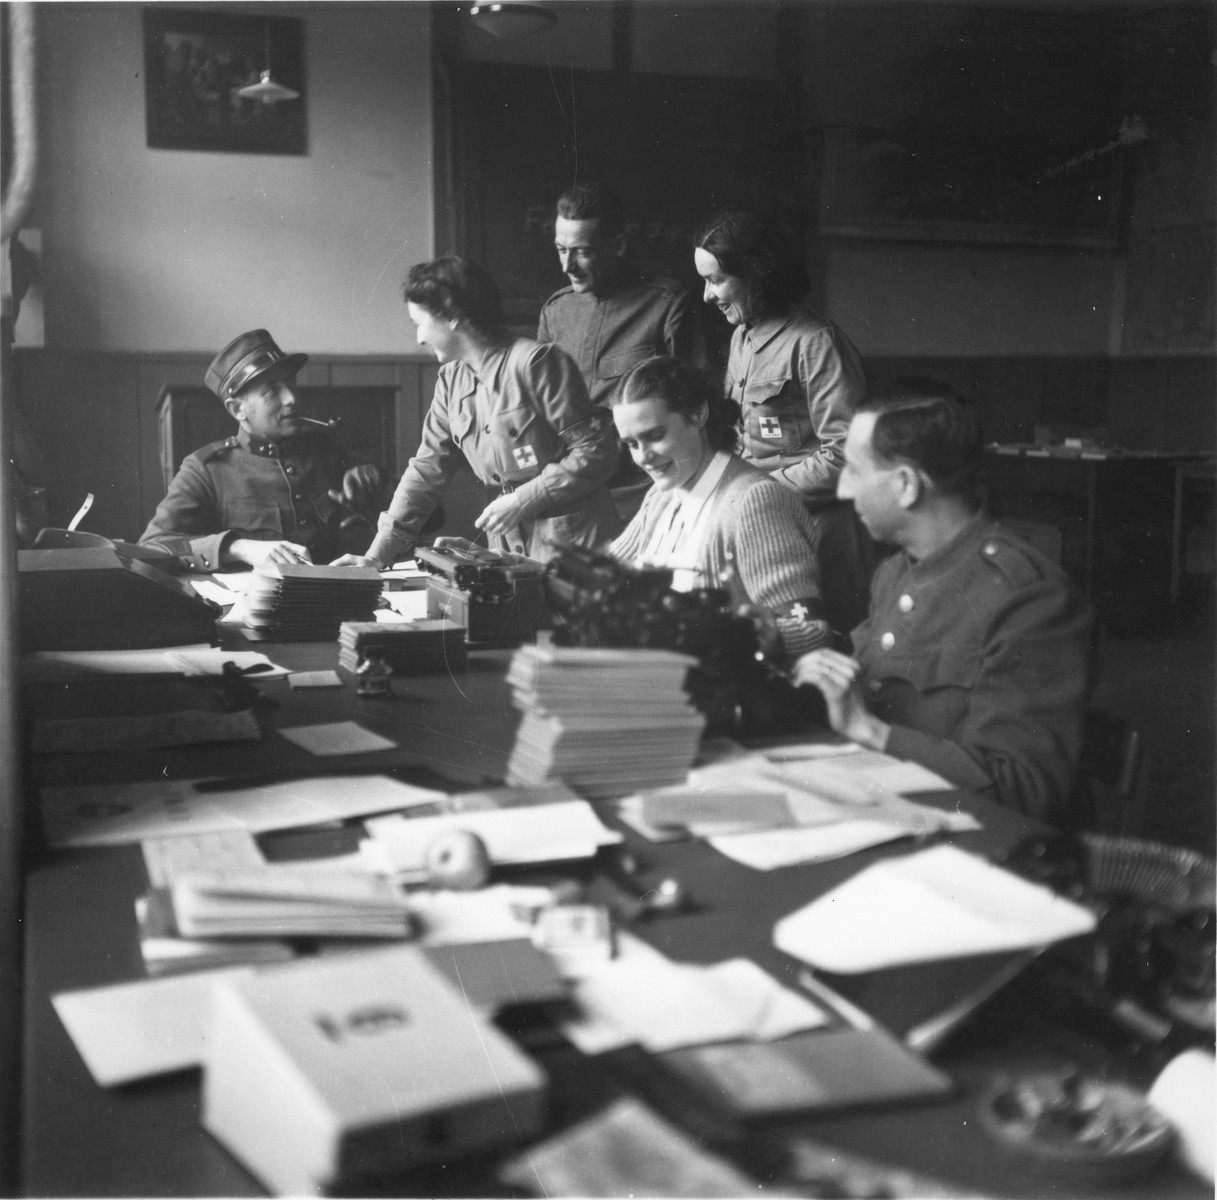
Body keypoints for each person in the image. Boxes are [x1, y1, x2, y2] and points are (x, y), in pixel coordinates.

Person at [792, 380, 1095, 825]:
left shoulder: (1030, 601)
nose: (842, 491)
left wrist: (869, 731)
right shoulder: (897, 572)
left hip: (987, 852)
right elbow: (861, 678)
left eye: (854, 470)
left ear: (906, 486)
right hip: (895, 812)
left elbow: (1025, 793)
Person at [336, 256, 620, 569]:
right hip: (509, 545)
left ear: (452, 314)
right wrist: (375, 557)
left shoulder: (536, 363)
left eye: (420, 323)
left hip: (576, 545)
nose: (419, 338)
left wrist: (523, 499)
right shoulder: (450, 381)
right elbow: (426, 472)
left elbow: (597, 450)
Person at [693, 208, 871, 632]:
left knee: (822, 645)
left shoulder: (815, 342)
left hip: (822, 532)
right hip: (764, 527)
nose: (706, 295)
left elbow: (849, 455)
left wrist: (758, 491)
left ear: (756, 274)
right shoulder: (741, 336)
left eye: (715, 280)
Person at [608, 356, 832, 661]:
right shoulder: (662, 495)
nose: (643, 457)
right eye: (632, 444)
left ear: (698, 413)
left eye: (654, 436)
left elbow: (811, 631)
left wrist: (727, 631)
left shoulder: (755, 500)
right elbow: (606, 573)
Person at [138, 329, 387, 572]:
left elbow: (412, 517)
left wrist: (380, 483)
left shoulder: (328, 451)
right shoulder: (206, 470)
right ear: (238, 410)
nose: (290, 398)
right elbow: (153, 547)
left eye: (290, 383)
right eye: (271, 391)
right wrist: (236, 547)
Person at [538, 182, 711, 409]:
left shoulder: (669, 306)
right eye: (562, 250)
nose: (567, 267)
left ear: (618, 245)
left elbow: (697, 403)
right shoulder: (555, 311)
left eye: (583, 252)